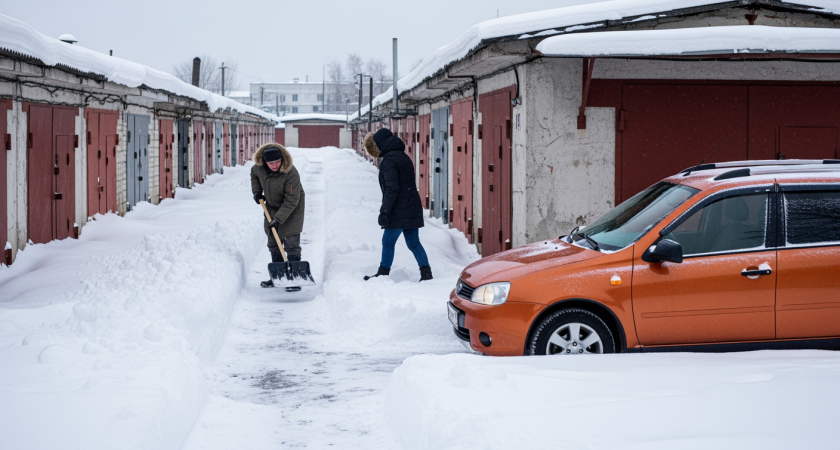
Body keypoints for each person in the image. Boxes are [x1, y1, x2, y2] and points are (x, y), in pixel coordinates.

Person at [363, 128, 432, 282]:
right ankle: (426, 272)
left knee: (387, 242)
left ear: (380, 144)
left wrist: (385, 211)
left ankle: (383, 273)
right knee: (414, 243)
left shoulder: (389, 161)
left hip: (398, 209)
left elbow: (392, 189)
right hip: (412, 207)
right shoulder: (403, 157)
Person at [251, 143, 305, 290]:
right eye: (271, 163)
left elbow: (292, 200)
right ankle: (279, 276)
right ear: (264, 162)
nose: (274, 166)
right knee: (273, 241)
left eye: (277, 162)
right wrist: (256, 192)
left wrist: (278, 219)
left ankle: (294, 279)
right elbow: (254, 175)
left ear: (282, 159)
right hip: (272, 207)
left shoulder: (291, 172)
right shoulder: (259, 168)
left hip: (293, 209)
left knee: (291, 243)